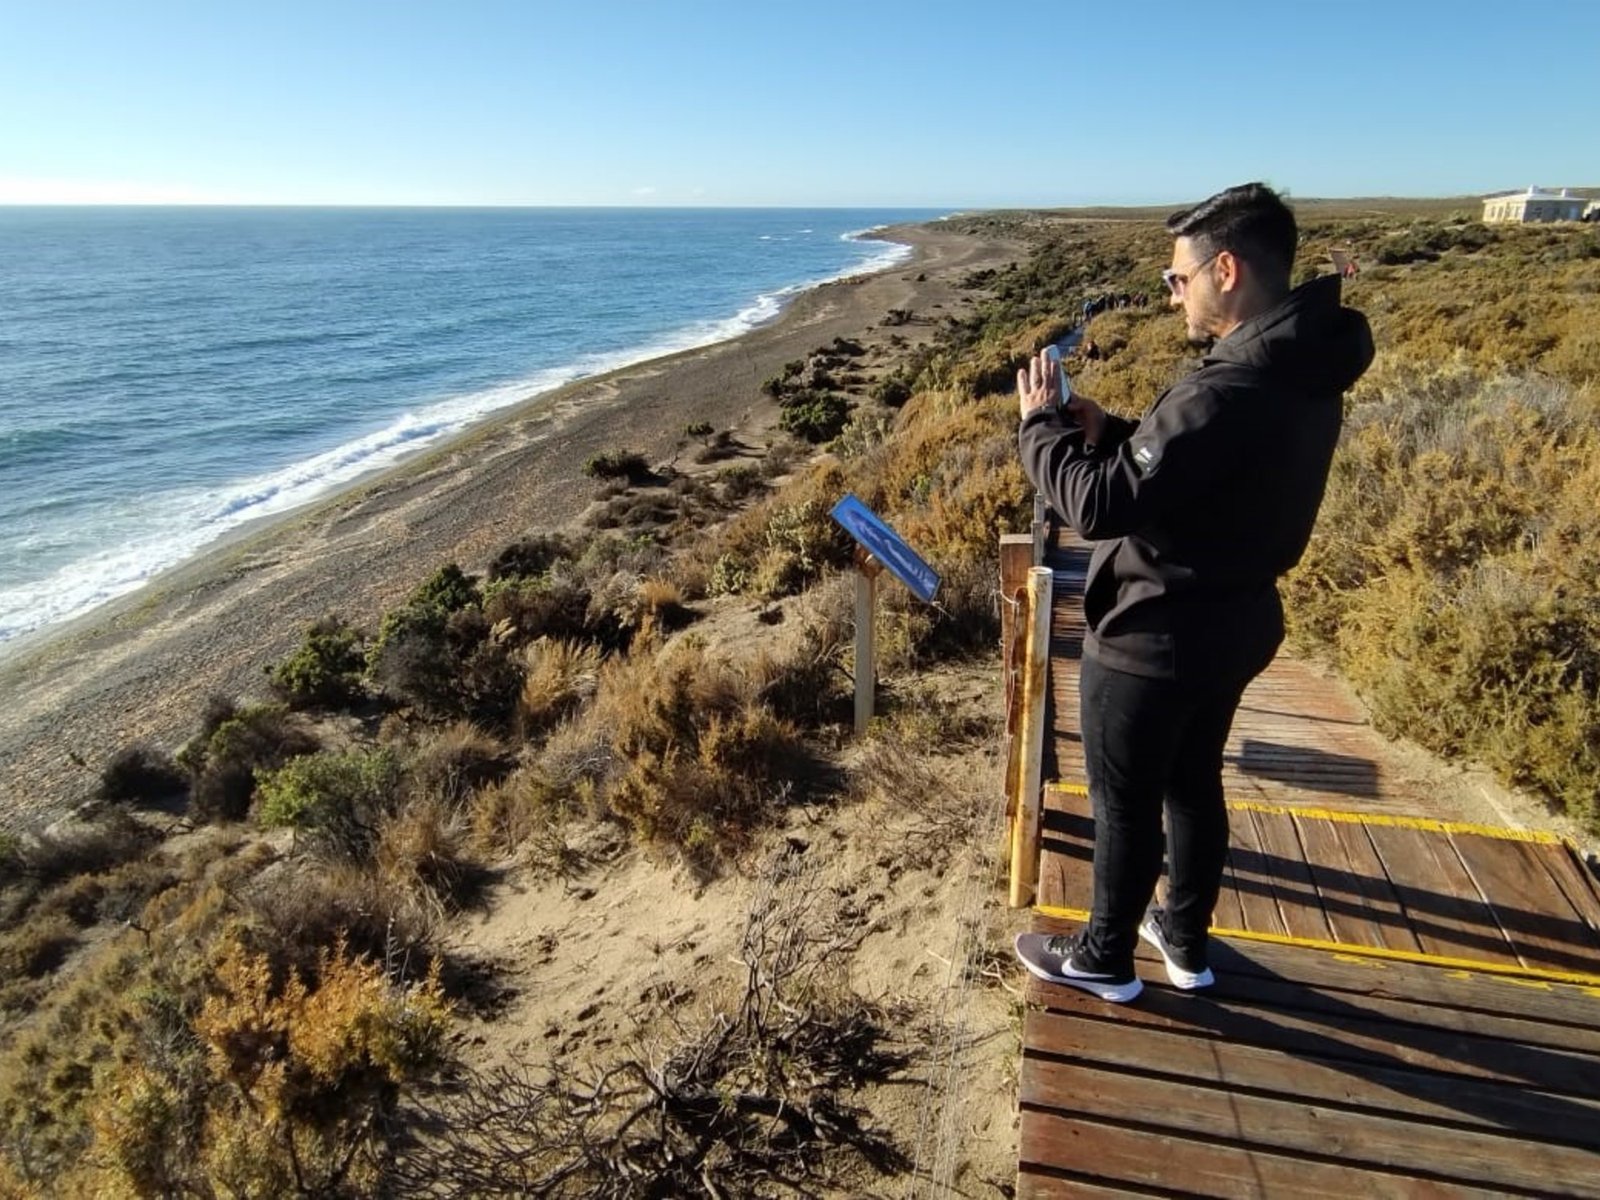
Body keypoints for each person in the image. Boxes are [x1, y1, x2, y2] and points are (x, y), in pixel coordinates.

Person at [1011, 183, 1374, 1003]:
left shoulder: (1225, 387)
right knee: (1192, 780)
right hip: (1237, 622)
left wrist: (1039, 428)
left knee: (1126, 801)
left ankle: (1104, 961)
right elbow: (1202, 463)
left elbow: (1097, 507)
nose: (1171, 291)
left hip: (1154, 635)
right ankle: (1183, 935)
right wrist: (1117, 433)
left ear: (1227, 268)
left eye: (1179, 277)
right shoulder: (1301, 362)